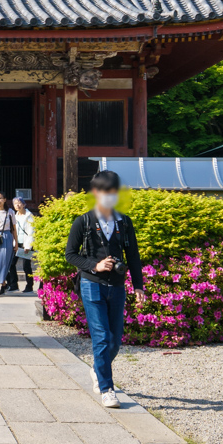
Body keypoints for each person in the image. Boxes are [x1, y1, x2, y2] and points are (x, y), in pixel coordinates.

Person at [63, 170, 143, 408]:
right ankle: (107, 389)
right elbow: (70, 255)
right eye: (106, 192)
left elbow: (134, 255)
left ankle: (98, 369)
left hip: (117, 286)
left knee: (115, 340)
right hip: (91, 284)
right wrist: (95, 265)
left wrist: (138, 285)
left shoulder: (124, 222)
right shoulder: (84, 221)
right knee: (100, 338)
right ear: (96, 193)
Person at [12, 196, 37, 293]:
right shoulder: (15, 216)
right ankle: (14, 284)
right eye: (15, 203)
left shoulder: (29, 216)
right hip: (17, 243)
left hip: (26, 244)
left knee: (26, 266)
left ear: (23, 204)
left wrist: (28, 246)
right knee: (12, 263)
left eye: (19, 203)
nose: (17, 205)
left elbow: (31, 232)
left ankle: (29, 285)